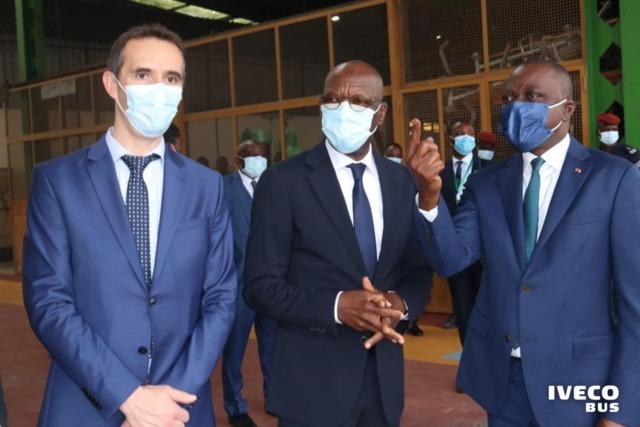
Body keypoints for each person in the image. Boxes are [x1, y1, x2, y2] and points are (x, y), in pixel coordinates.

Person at [22, 24, 236, 426]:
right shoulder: (58, 182)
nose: (159, 89)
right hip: (85, 406)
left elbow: (221, 299)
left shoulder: (206, 187)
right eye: (143, 74)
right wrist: (127, 396)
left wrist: (171, 400)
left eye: (171, 78)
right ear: (112, 84)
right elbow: (49, 301)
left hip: (179, 408)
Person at [410, 60, 640, 426]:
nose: (516, 107)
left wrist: (621, 410)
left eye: (532, 97)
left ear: (567, 109)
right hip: (504, 381)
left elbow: (634, 303)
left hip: (580, 380)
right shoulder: (487, 183)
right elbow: (450, 259)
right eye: (508, 98)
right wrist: (428, 198)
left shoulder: (614, 178)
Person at [244, 60, 432, 427]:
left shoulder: (402, 182)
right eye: (332, 99)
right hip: (311, 387)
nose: (343, 109)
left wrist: (400, 304)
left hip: (383, 386)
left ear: (380, 114)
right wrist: (337, 306)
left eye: (358, 101)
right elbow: (260, 285)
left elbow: (418, 271)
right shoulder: (283, 182)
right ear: (321, 107)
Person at [222, 140, 276, 427]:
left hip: (270, 284)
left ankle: (274, 396)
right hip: (238, 284)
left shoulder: (272, 186)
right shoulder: (224, 189)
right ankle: (235, 407)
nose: (258, 160)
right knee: (235, 349)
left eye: (262, 155)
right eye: (252, 156)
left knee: (272, 344)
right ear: (238, 160)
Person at [441, 121, 491, 346]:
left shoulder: (489, 169)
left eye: (470, 133)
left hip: (484, 251)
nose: (466, 137)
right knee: (462, 309)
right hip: (454, 251)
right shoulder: (439, 172)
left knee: (486, 308)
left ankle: (486, 358)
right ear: (450, 139)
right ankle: (468, 357)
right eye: (460, 133)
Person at [383, 142, 424, 338]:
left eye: (398, 155)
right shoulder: (380, 177)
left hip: (404, 245)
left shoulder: (408, 179)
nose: (394, 158)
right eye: (390, 155)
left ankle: (411, 321)